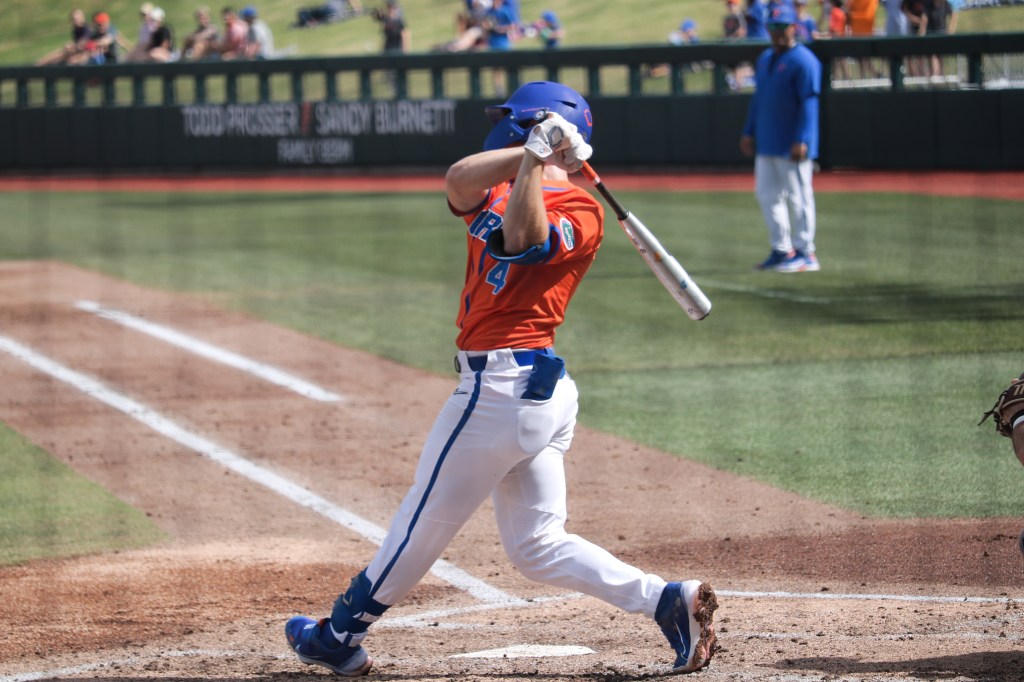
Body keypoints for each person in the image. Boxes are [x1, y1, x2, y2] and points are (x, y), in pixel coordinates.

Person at [283, 80, 720, 678]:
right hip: (527, 395)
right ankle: (667, 601)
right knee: (537, 547)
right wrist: (531, 155)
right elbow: (457, 180)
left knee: (423, 519)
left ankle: (337, 635)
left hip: (502, 388)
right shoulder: (500, 181)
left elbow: (524, 239)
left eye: (517, 123)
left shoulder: (585, 212)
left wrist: (539, 162)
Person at [739, 3, 822, 273]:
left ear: (793, 27)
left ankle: (806, 252)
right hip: (767, 140)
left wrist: (803, 139)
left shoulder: (805, 60)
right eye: (772, 27)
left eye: (781, 26)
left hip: (793, 144)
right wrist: (749, 131)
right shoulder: (764, 58)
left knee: (799, 197)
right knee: (767, 195)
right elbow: (758, 99)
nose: (777, 32)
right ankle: (781, 248)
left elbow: (810, 104)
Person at [294, 0, 362, 27]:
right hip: (326, 9)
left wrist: (356, 9)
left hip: (332, 12)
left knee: (303, 13)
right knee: (302, 12)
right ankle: (309, 22)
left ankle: (310, 22)